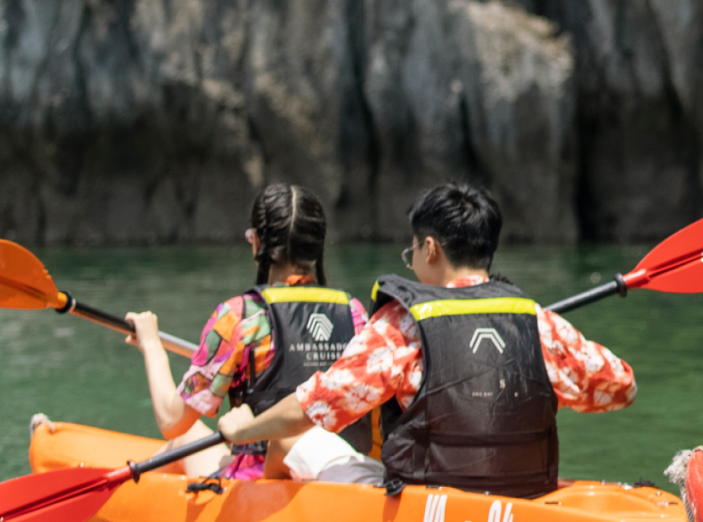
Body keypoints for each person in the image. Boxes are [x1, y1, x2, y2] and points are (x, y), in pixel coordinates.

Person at [214, 180, 635, 494]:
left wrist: (245, 429)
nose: (412, 263)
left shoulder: (402, 326)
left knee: (290, 435)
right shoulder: (539, 323)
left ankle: (265, 504)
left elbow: (316, 405)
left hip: (423, 505)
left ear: (430, 249)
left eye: (412, 252)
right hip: (523, 493)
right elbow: (622, 388)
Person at [126, 184, 382, 486]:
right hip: (334, 471)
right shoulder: (354, 313)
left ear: (257, 241)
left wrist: (151, 344)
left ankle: (129, 497)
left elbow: (172, 421)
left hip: (259, 481)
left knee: (184, 438)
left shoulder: (240, 317)